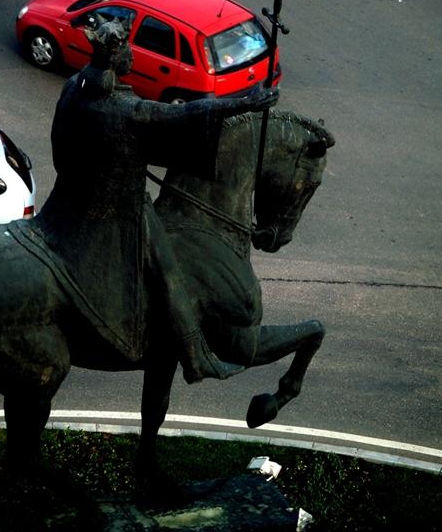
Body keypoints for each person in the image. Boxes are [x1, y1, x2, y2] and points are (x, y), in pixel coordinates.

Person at [34, 19, 278, 382]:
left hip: (65, 200)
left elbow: (59, 144)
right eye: (128, 48)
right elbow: (183, 114)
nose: (133, 54)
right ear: (115, 57)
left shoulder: (74, 86)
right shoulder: (124, 108)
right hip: (117, 210)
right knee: (167, 270)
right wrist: (245, 102)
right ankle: (195, 357)